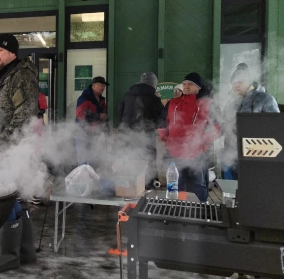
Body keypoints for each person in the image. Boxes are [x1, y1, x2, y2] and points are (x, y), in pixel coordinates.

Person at [0, 33, 39, 273]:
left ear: (12, 53)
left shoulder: (21, 75)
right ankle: (25, 251)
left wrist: (2, 144)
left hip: (12, 146)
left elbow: (25, 112)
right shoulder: (4, 76)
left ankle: (9, 253)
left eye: (0, 49)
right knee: (11, 194)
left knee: (2, 192)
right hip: (5, 145)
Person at [158, 72, 221, 202]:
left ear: (199, 87)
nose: (186, 86)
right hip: (174, 152)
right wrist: (164, 136)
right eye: (185, 84)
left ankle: (200, 213)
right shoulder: (173, 103)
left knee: (198, 186)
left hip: (197, 154)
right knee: (176, 185)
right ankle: (177, 212)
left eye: (190, 84)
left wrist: (203, 139)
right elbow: (162, 121)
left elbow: (217, 126)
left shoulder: (208, 104)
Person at [221, 63, 279, 180]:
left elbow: (276, 127)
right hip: (231, 154)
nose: (236, 85)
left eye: (240, 82)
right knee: (232, 189)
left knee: (253, 188)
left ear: (249, 82)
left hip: (257, 155)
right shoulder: (230, 103)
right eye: (234, 83)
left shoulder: (265, 99)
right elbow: (224, 124)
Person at [118, 72, 164, 185]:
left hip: (128, 139)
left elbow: (120, 116)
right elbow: (161, 120)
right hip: (146, 140)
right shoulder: (154, 99)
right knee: (148, 166)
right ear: (153, 84)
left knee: (131, 165)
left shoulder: (127, 96)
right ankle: (148, 190)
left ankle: (131, 191)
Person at [75, 76, 109, 167]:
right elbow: (80, 114)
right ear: (94, 86)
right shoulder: (84, 98)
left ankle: (92, 180)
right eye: (101, 85)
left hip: (95, 135)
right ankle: (82, 181)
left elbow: (104, 117)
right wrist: (98, 116)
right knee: (83, 163)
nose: (103, 88)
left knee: (93, 162)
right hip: (83, 133)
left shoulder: (101, 100)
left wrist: (107, 131)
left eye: (104, 86)